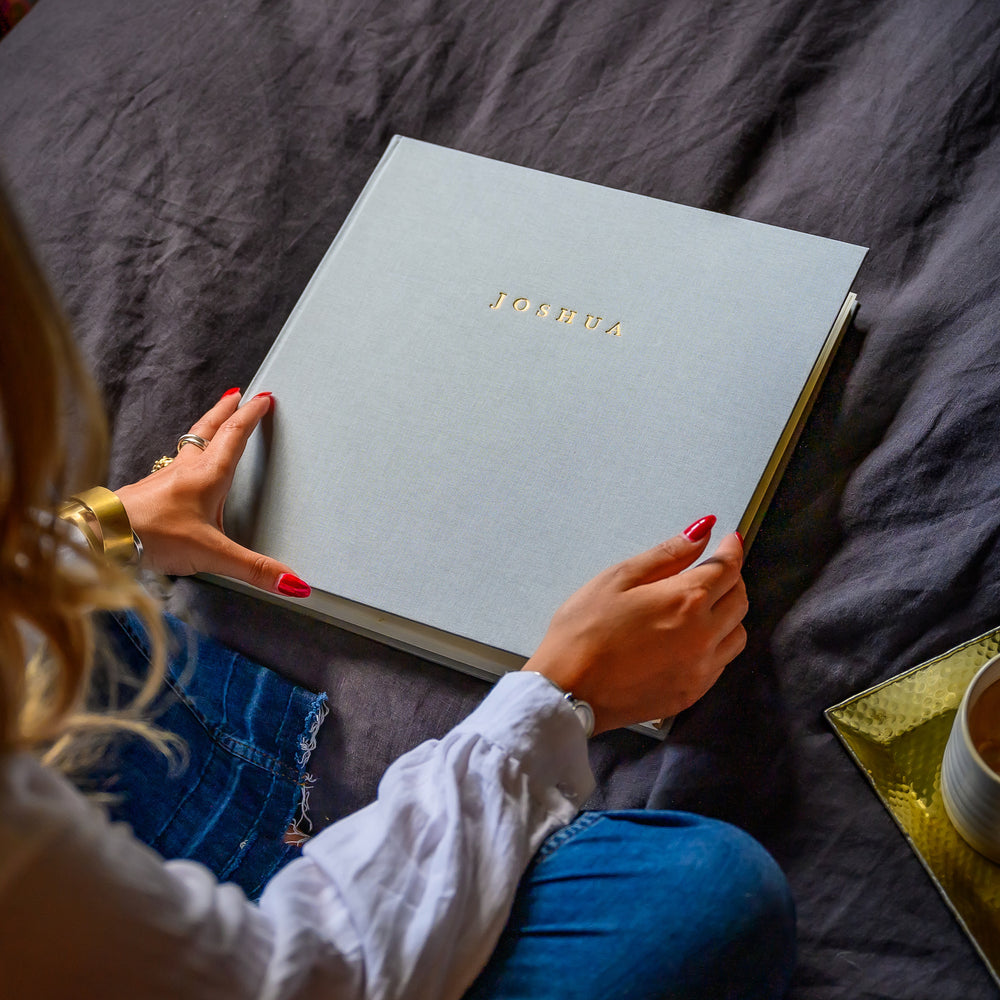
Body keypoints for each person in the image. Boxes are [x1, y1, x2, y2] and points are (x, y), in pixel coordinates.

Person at [0, 183, 795, 998]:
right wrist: (561, 692)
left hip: (105, 827)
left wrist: (100, 526)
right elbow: (299, 979)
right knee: (707, 899)